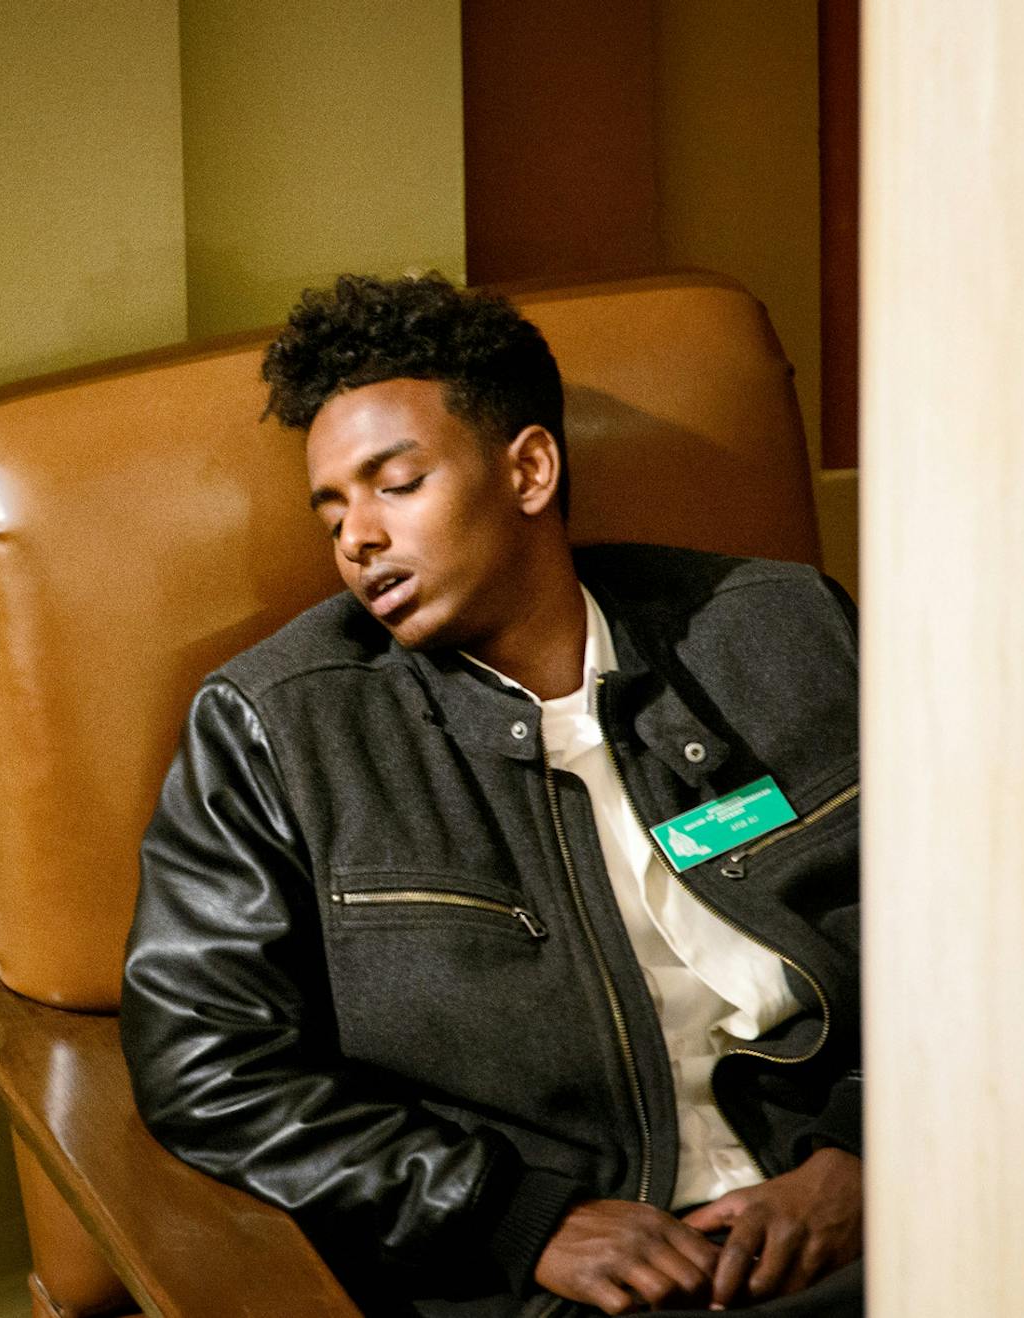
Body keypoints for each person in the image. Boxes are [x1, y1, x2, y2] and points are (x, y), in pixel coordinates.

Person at [121, 274, 863, 1317]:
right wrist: (510, 1214)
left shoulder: (782, 631)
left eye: (396, 483)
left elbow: (985, 922)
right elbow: (207, 1063)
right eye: (332, 508)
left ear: (528, 468)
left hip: (883, 1223)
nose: (356, 538)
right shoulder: (277, 730)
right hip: (557, 1291)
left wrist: (865, 1151)